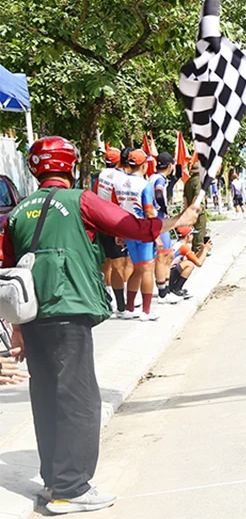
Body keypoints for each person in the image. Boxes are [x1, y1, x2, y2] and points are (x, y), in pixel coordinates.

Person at [3, 136, 198, 515]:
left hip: (31, 314)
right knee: (79, 399)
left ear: (33, 168)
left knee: (46, 397)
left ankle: (53, 481)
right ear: (70, 165)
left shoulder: (18, 211)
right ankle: (71, 489)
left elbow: (9, 271)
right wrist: (177, 220)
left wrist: (17, 328)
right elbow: (133, 228)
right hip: (68, 307)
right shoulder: (81, 200)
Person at [116, 149, 160, 321]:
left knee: (137, 268)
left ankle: (129, 308)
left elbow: (116, 207)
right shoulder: (145, 185)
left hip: (127, 229)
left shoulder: (119, 182)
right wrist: (156, 233)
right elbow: (149, 211)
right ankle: (146, 311)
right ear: (144, 165)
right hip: (143, 230)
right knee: (147, 269)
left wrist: (118, 233)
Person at [92, 147, 131, 314]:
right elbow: (118, 202)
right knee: (119, 265)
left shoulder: (101, 175)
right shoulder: (120, 178)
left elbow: (94, 195)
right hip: (114, 223)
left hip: (100, 222)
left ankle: (108, 298)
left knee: (106, 263)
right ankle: (121, 305)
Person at [150, 153, 180, 304]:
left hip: (159, 217)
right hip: (159, 218)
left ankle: (166, 288)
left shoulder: (155, 177)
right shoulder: (159, 179)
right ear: (170, 166)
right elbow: (158, 194)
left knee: (167, 255)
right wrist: (163, 208)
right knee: (163, 255)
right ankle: (163, 292)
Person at [168, 226, 211, 298]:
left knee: (188, 262)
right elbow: (199, 263)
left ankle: (175, 287)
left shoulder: (180, 244)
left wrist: (202, 250)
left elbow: (194, 258)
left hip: (169, 273)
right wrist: (206, 250)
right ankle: (176, 288)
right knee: (189, 265)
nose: (193, 236)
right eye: (192, 234)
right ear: (188, 236)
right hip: (169, 274)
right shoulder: (184, 247)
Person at [183, 160, 209, 254]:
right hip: (198, 211)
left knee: (193, 232)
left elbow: (185, 198)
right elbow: (196, 197)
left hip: (190, 210)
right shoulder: (198, 181)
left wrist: (187, 212)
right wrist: (194, 210)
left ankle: (195, 249)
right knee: (200, 231)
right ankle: (199, 252)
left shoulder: (188, 182)